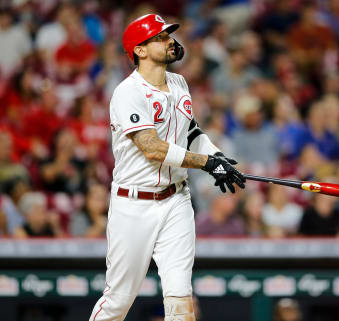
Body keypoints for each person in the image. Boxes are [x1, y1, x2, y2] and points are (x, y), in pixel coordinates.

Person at [88, 14, 245, 321]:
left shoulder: (178, 82)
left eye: (168, 35)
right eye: (160, 37)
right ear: (140, 50)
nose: (170, 41)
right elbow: (152, 148)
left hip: (176, 200)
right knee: (118, 301)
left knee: (180, 298)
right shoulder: (128, 92)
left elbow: (191, 133)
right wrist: (206, 163)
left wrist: (217, 156)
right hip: (134, 203)